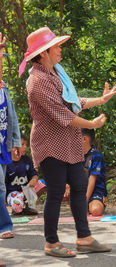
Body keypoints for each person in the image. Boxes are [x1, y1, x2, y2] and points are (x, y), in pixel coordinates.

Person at [20, 26, 116, 257]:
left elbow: (73, 101)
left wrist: (101, 100)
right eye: (56, 46)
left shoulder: (56, 72)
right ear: (43, 52)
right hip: (49, 144)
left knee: (79, 185)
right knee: (55, 192)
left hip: (68, 142)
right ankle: (51, 243)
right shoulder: (37, 80)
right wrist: (92, 125)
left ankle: (83, 237)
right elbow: (63, 115)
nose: (59, 49)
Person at [0, 32, 21, 240]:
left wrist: (15, 142)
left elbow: (11, 117)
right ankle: (4, 225)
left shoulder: (3, 87)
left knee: (2, 185)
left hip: (3, 145)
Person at [6, 134, 39, 215]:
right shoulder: (6, 163)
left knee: (41, 184)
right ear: (13, 147)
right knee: (17, 208)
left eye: (26, 145)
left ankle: (30, 207)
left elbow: (33, 173)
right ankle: (17, 207)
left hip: (25, 190)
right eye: (22, 144)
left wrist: (34, 179)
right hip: (13, 193)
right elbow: (3, 184)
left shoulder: (27, 160)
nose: (25, 147)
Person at [82, 128, 107, 216]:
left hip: (95, 192)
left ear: (84, 139)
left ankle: (98, 202)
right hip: (79, 191)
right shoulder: (75, 155)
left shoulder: (96, 155)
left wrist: (84, 201)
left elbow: (92, 180)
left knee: (96, 210)